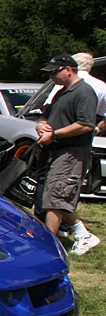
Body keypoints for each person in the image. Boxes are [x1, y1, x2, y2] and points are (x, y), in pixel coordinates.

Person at [34, 54, 99, 254]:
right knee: (57, 197)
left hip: (72, 153)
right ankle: (83, 234)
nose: (51, 76)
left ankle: (49, 247)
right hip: (57, 150)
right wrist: (42, 125)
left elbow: (86, 125)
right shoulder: (61, 93)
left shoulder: (84, 93)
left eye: (55, 72)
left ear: (68, 69)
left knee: (54, 199)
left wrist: (54, 135)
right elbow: (46, 115)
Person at [73, 52, 106, 134]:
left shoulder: (64, 81)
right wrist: (98, 128)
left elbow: (48, 105)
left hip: (62, 131)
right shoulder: (101, 85)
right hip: (87, 131)